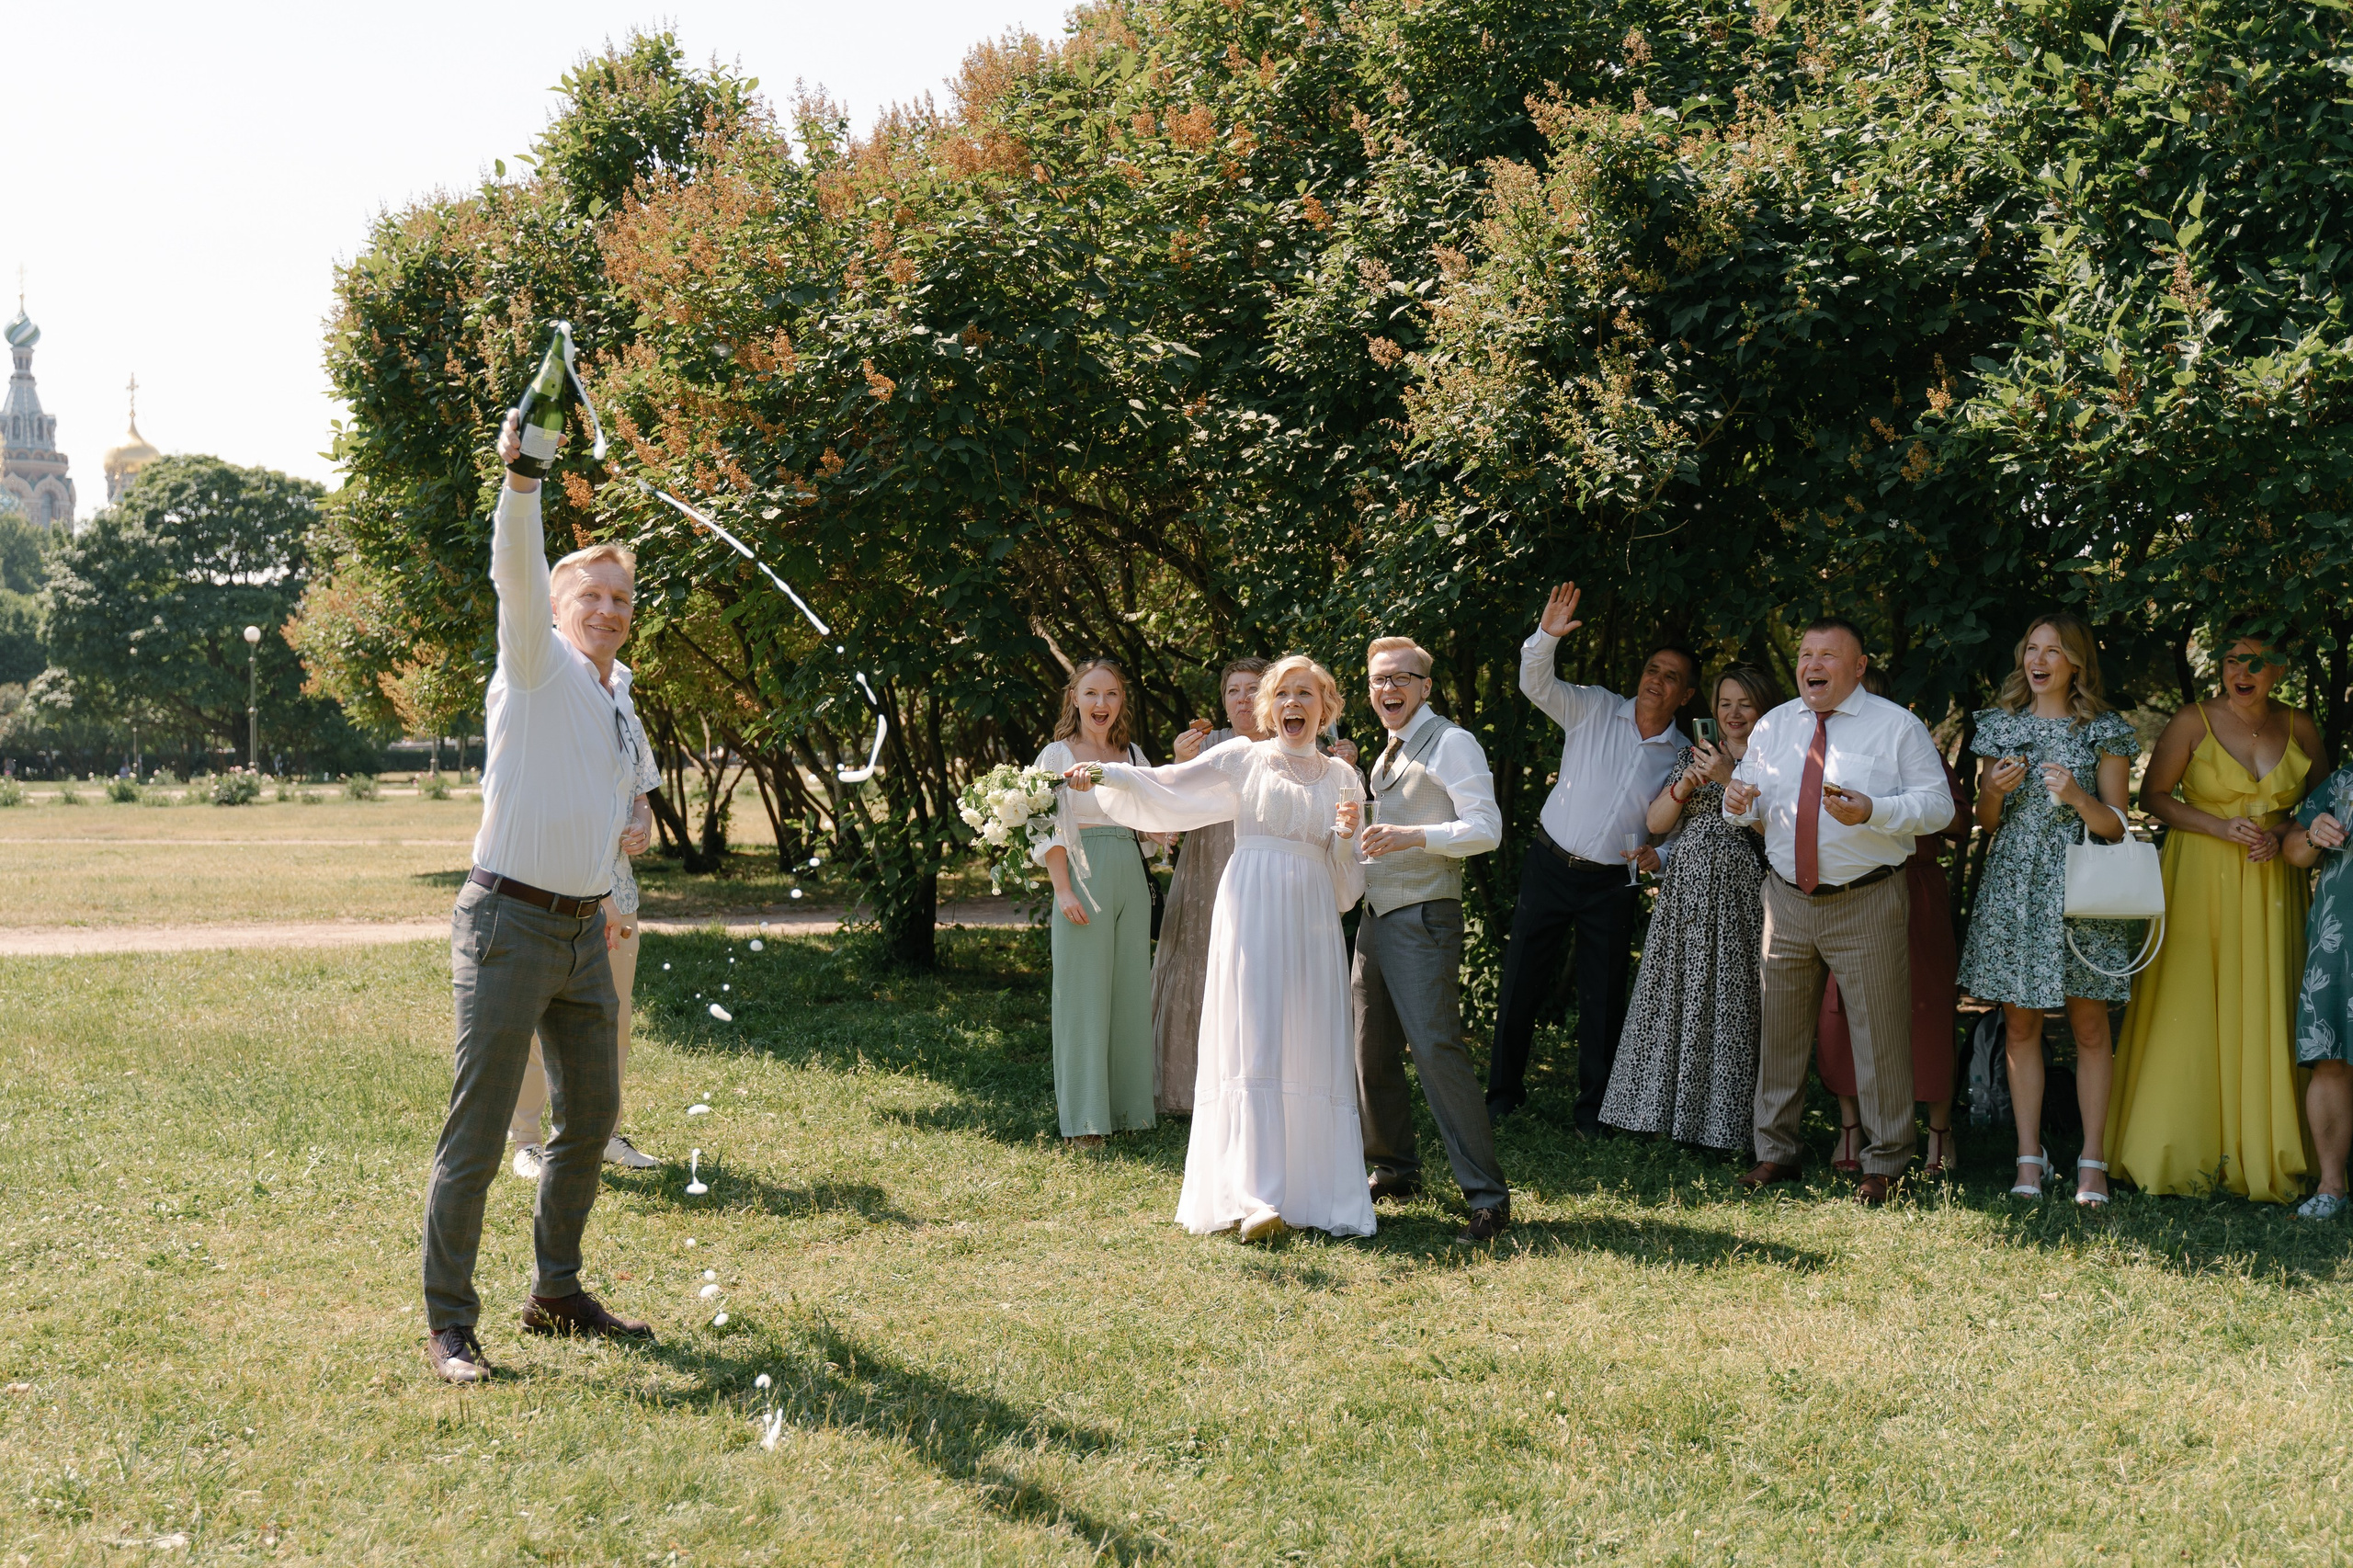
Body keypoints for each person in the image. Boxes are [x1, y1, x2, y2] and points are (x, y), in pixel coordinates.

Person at [421, 409, 654, 1384]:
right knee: (476, 1135)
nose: (605, 608)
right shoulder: (536, 662)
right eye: (589, 594)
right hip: (509, 922)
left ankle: (555, 1290)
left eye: (619, 597)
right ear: (559, 609)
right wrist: (522, 482)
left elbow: (619, 796)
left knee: (590, 1117)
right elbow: (516, 569)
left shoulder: (614, 689)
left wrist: (623, 836)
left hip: (582, 928)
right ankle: (449, 1325)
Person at [1065, 653, 1374, 1241]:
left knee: (1306, 1037)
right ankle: (1255, 1195)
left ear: (1326, 706)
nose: (1292, 705)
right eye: (1282, 695)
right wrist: (1105, 777)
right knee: (1254, 1037)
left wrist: (1341, 840)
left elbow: (1346, 890)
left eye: (1305, 695)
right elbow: (1168, 787)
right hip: (1252, 910)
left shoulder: (1343, 780)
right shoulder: (1242, 759)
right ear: (1268, 707)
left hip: (1311, 920)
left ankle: (1312, 1192)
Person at [1723, 618, 1957, 1206]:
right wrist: (1735, 800)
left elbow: (1938, 807)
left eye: (1827, 654)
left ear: (1857, 666)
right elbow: (1748, 804)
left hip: (1867, 897)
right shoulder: (1774, 726)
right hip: (1785, 898)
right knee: (1780, 1031)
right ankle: (1775, 1153)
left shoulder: (1896, 727)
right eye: (1805, 653)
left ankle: (1885, 1163)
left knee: (1879, 1033)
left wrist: (1875, 810)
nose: (1812, 664)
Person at [2108, 631, 2325, 1202]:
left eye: (2256, 661)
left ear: (2278, 667)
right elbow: (2153, 796)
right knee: (2191, 999)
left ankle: (2270, 1149)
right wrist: (2218, 827)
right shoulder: (2192, 720)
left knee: (2267, 1000)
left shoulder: (2300, 725)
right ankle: (2178, 1146)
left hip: (2273, 877)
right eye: (2232, 660)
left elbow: (2322, 804)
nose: (2242, 671)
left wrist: (2279, 833)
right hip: (2200, 872)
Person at [1487, 583, 1698, 1133]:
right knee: (1521, 984)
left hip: (1613, 883)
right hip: (1551, 864)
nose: (1657, 680)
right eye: (1653, 669)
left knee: (1603, 998)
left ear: (1686, 694)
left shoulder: (1684, 755)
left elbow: (1693, 828)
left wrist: (1663, 855)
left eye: (1671, 676)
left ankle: (1595, 1112)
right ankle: (1502, 1094)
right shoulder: (1595, 707)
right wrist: (1545, 637)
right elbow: (1536, 684)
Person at [1953, 616, 2141, 1204]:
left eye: (2053, 650)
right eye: (2031, 648)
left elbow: (2117, 827)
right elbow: (1987, 822)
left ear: (2076, 663)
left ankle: (2092, 1164)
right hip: (2016, 886)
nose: (2039, 660)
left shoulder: (2102, 730)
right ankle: (2028, 1162)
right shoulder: (2000, 727)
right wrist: (1994, 792)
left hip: (2083, 888)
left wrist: (2079, 797)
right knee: (2020, 1025)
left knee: (2089, 1027)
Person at [1351, 636, 1511, 1242]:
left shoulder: (1452, 742)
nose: (1387, 690)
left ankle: (1488, 1199)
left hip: (1423, 918)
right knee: (1369, 1051)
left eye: (1400, 678)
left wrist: (1412, 838)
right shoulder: (1387, 752)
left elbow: (1487, 829)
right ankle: (1394, 1167)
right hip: (1375, 919)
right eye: (1377, 681)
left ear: (1425, 686)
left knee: (1437, 1053)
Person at [1600, 665, 1779, 1153]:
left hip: (1741, 894)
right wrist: (1685, 785)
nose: (1734, 713)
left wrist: (1727, 779)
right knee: (1673, 996)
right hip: (1684, 897)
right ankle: (1657, 1113)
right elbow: (1656, 821)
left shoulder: (1776, 760)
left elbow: (1779, 836)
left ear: (1763, 707)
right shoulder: (1693, 753)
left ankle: (1721, 1126)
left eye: (1745, 703)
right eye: (1725, 703)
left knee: (1729, 1002)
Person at [1817, 668, 1972, 1179]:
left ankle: (1939, 1132)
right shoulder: (1823, 753)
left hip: (1914, 890)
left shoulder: (1914, 747)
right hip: (1851, 892)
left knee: (1925, 1009)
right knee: (1844, 1008)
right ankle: (1850, 1128)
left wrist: (1885, 807)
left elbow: (1957, 821)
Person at [510, 695, 661, 1178]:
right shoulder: (543, 708)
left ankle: (604, 1134)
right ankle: (528, 1143)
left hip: (619, 898)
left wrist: (640, 825)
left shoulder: (626, 714)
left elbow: (642, 798)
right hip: (552, 899)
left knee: (611, 1022)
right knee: (537, 1022)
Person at [1032, 658, 1163, 1150]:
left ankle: (1129, 1110)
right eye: (1091, 694)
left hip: (1129, 869)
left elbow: (1150, 814)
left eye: (1111, 694)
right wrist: (1061, 888)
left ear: (1121, 700)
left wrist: (1161, 829)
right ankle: (1085, 1121)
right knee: (1083, 996)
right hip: (1082, 874)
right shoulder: (1055, 754)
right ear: (1074, 698)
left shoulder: (1131, 754)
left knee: (1129, 991)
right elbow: (1046, 826)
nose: (1101, 704)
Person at [1149, 658, 1269, 1116]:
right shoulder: (1207, 745)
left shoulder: (1289, 743)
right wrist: (1178, 763)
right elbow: (1170, 802)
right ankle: (1188, 1089)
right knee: (1198, 958)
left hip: (1263, 869)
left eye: (1252, 688)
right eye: (1233, 691)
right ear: (1223, 701)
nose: (1242, 698)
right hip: (1207, 868)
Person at [2286, 766, 2353, 1219]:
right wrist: (2312, 835)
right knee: (2329, 1056)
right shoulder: (2344, 781)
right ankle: (2331, 1186)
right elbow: (2293, 851)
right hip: (2339, 938)